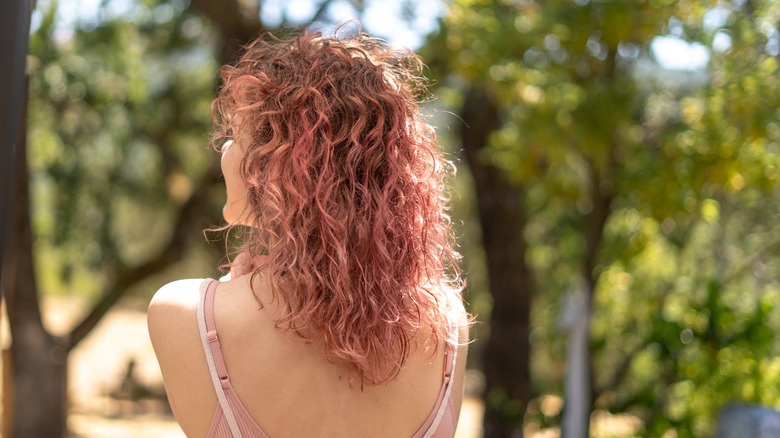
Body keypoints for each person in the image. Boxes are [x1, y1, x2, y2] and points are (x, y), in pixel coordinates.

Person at [148, 27, 469, 438]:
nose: (225, 150)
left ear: (276, 170)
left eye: (236, 136)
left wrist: (233, 286)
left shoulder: (185, 315)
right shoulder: (447, 324)